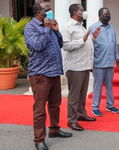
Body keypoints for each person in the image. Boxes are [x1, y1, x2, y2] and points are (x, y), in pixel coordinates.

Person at [24, 2, 72, 150]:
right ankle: (39, 139)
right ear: (39, 12)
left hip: (54, 72)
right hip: (40, 74)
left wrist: (56, 31)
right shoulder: (31, 27)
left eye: (51, 9)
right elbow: (37, 46)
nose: (51, 12)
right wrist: (46, 29)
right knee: (39, 109)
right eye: (48, 10)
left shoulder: (50, 25)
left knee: (55, 104)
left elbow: (59, 44)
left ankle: (54, 129)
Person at [61, 3, 96, 132]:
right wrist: (82, 40)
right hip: (75, 67)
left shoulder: (80, 26)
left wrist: (93, 38)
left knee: (82, 94)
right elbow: (66, 46)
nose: (84, 12)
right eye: (82, 10)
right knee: (74, 95)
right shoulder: (67, 27)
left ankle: (81, 114)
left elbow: (86, 42)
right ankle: (72, 120)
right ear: (75, 12)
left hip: (84, 65)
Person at [88, 8, 119, 116]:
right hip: (98, 62)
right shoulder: (93, 28)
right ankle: (95, 107)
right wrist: (90, 62)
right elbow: (89, 47)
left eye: (108, 14)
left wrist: (117, 58)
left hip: (110, 62)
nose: (108, 16)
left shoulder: (112, 28)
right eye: (105, 14)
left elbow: (114, 44)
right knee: (97, 86)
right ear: (100, 15)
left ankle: (110, 105)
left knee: (109, 85)